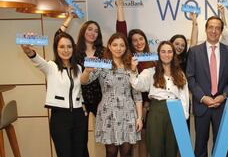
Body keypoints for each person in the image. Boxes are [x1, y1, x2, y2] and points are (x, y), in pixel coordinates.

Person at [21, 32, 87, 157]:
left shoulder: (78, 68)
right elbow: (36, 59)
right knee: (64, 153)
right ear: (56, 48)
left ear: (73, 48)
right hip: (60, 116)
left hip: (79, 116)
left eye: (69, 46)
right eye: (62, 47)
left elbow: (84, 84)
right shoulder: (51, 66)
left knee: (80, 153)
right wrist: (27, 50)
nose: (66, 50)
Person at [80, 33, 143, 157]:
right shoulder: (103, 65)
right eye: (115, 45)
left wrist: (139, 118)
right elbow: (84, 81)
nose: (118, 48)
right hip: (107, 112)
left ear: (126, 48)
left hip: (128, 112)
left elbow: (137, 94)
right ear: (109, 46)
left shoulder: (131, 65)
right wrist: (87, 70)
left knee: (127, 151)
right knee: (111, 152)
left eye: (121, 45)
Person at [186, 16, 228, 157]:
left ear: (221, 31)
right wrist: (203, 97)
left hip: (222, 106)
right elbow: (190, 78)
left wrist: (223, 96)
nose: (214, 31)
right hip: (202, 105)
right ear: (206, 29)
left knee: (221, 146)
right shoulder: (194, 51)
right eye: (211, 27)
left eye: (217, 28)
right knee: (200, 145)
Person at [130, 41, 189, 157]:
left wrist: (184, 115)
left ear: (173, 54)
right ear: (158, 54)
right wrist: (133, 70)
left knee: (172, 148)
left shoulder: (180, 74)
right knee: (155, 147)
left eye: (169, 52)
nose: (166, 54)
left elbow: (184, 96)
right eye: (163, 51)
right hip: (157, 110)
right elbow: (137, 85)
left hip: (176, 110)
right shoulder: (150, 72)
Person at [58, 11, 105, 157]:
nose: (93, 33)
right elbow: (58, 38)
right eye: (90, 29)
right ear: (83, 31)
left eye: (96, 31)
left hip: (101, 99)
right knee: (81, 139)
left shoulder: (104, 52)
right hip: (80, 99)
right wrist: (69, 18)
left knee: (106, 138)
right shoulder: (75, 50)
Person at [115, 0, 155, 156]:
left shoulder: (153, 58)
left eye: (141, 39)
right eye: (134, 40)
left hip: (150, 107)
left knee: (146, 141)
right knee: (133, 143)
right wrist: (120, 8)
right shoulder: (129, 57)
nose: (138, 42)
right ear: (129, 44)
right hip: (132, 106)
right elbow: (121, 32)